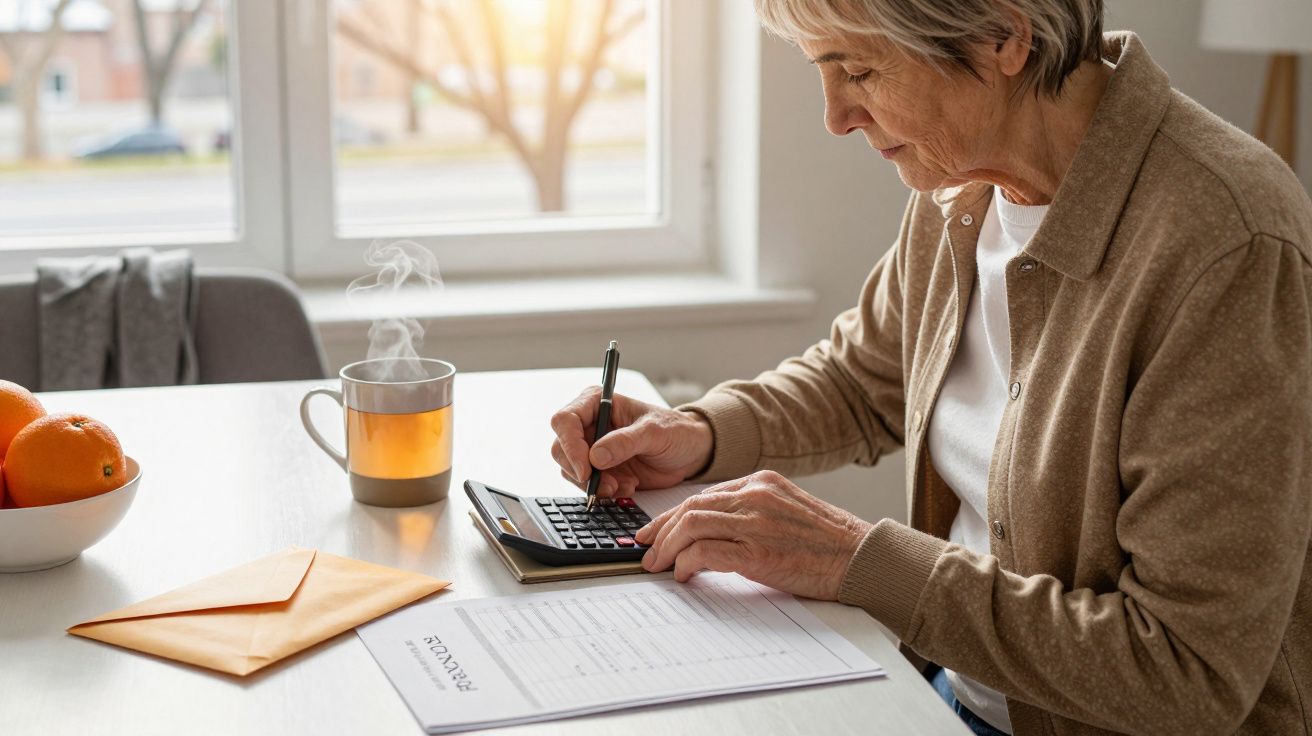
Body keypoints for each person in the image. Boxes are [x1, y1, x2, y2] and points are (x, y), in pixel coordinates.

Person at [548, 1, 1312, 734]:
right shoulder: (965, 177)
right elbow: (862, 380)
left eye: (859, 71)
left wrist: (858, 562)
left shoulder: (1227, 245)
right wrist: (700, 433)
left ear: (1002, 37)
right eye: (822, 69)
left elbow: (1187, 668)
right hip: (951, 696)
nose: (835, 117)